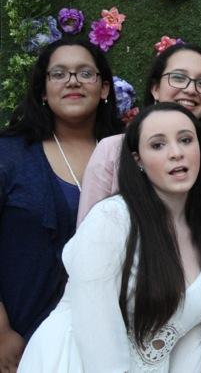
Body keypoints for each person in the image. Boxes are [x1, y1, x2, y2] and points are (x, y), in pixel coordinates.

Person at [18, 102, 201, 373]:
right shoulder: (111, 218)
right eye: (158, 145)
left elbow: (190, 341)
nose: (176, 153)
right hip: (73, 361)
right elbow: (96, 331)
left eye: (186, 140)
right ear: (138, 161)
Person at [0, 38, 121, 372]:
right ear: (43, 90)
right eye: (59, 74)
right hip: (18, 338)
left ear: (104, 88)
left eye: (85, 73)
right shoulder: (9, 154)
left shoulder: (127, 155)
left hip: (104, 342)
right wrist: (0, 331)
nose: (72, 81)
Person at [77, 42, 201, 224]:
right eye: (179, 78)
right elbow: (88, 231)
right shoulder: (113, 149)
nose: (190, 89)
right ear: (155, 89)